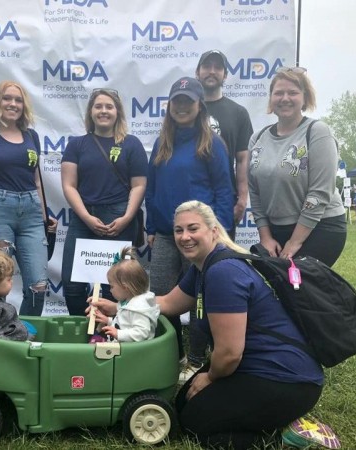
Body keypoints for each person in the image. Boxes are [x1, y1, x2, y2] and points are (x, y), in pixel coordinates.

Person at [92, 201, 339, 450]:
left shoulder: (223, 272)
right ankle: (273, 419)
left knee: (197, 426)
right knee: (182, 406)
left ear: (213, 231)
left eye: (192, 228)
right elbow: (167, 303)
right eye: (178, 230)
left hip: (286, 379)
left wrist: (209, 377)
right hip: (253, 366)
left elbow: (230, 354)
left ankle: (288, 436)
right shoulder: (203, 266)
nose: (184, 237)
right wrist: (120, 307)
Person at [145, 76, 234, 380]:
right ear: (169, 106)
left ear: (199, 106)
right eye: (176, 101)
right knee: (158, 294)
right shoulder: (162, 142)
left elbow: (224, 189)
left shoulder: (211, 142)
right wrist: (151, 226)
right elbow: (152, 188)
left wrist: (218, 232)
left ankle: (195, 360)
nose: (182, 107)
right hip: (167, 234)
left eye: (188, 101)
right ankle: (169, 356)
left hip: (199, 236)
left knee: (199, 300)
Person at [0, 80, 57, 317]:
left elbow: (37, 181)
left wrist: (45, 216)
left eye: (18, 100)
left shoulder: (32, 137)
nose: (12, 104)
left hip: (31, 213)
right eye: (7, 98)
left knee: (39, 285)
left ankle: (25, 332)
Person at [61, 88, 148, 316]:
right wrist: (87, 218)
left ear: (117, 111)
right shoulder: (76, 145)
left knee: (116, 286)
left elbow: (139, 185)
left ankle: (106, 333)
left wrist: (127, 218)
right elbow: (69, 185)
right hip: (84, 219)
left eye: (109, 106)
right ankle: (81, 331)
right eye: (98, 106)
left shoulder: (132, 144)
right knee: (72, 285)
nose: (103, 111)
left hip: (119, 219)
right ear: (91, 112)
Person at [248, 67, 346, 267]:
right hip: (277, 230)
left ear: (305, 97)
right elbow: (255, 193)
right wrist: (265, 237)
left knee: (304, 292)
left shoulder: (318, 132)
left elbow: (319, 193)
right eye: (279, 93)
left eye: (292, 92)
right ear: (271, 98)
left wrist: (295, 242)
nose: (285, 98)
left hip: (320, 227)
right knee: (285, 292)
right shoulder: (257, 138)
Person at [196, 49, 254, 238]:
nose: (212, 71)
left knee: (219, 259)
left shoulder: (238, 113)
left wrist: (242, 198)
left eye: (218, 67)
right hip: (189, 197)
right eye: (206, 66)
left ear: (225, 75)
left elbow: (243, 159)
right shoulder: (184, 109)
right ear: (197, 72)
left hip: (223, 201)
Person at [93, 246, 159, 342]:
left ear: (125, 287)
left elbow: (142, 333)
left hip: (132, 354)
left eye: (112, 286)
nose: (110, 290)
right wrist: (108, 321)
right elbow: (124, 324)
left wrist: (118, 333)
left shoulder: (138, 307)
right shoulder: (127, 302)